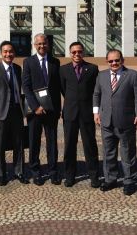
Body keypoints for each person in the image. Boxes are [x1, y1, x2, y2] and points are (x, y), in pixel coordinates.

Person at [93, 49, 137, 196]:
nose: (114, 63)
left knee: (127, 152)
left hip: (126, 121)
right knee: (108, 152)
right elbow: (96, 94)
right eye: (110, 61)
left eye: (117, 60)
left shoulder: (133, 75)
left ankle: (129, 181)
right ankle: (110, 179)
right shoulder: (101, 75)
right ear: (107, 61)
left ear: (122, 60)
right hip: (106, 122)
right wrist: (96, 112)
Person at [0, 41, 29, 186]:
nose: (8, 54)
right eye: (5, 51)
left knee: (19, 143)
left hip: (17, 111)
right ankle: (1, 173)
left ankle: (19, 171)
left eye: (11, 51)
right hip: (1, 113)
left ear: (14, 53)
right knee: (1, 145)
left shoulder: (18, 68)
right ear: (1, 53)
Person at [22, 33, 61, 185]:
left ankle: (53, 171)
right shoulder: (28, 62)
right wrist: (35, 106)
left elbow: (57, 87)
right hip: (35, 110)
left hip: (51, 110)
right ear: (34, 45)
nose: (42, 46)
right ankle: (35, 171)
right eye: (38, 44)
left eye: (44, 43)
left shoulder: (55, 62)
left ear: (48, 44)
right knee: (34, 141)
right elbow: (26, 86)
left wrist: (58, 109)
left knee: (52, 142)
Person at [60, 42, 100, 188]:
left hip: (86, 113)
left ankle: (94, 176)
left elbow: (96, 91)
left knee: (90, 145)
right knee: (69, 146)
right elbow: (63, 90)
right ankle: (69, 175)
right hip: (70, 113)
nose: (77, 54)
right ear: (70, 53)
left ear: (83, 52)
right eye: (74, 52)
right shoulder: (63, 70)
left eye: (79, 52)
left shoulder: (93, 69)